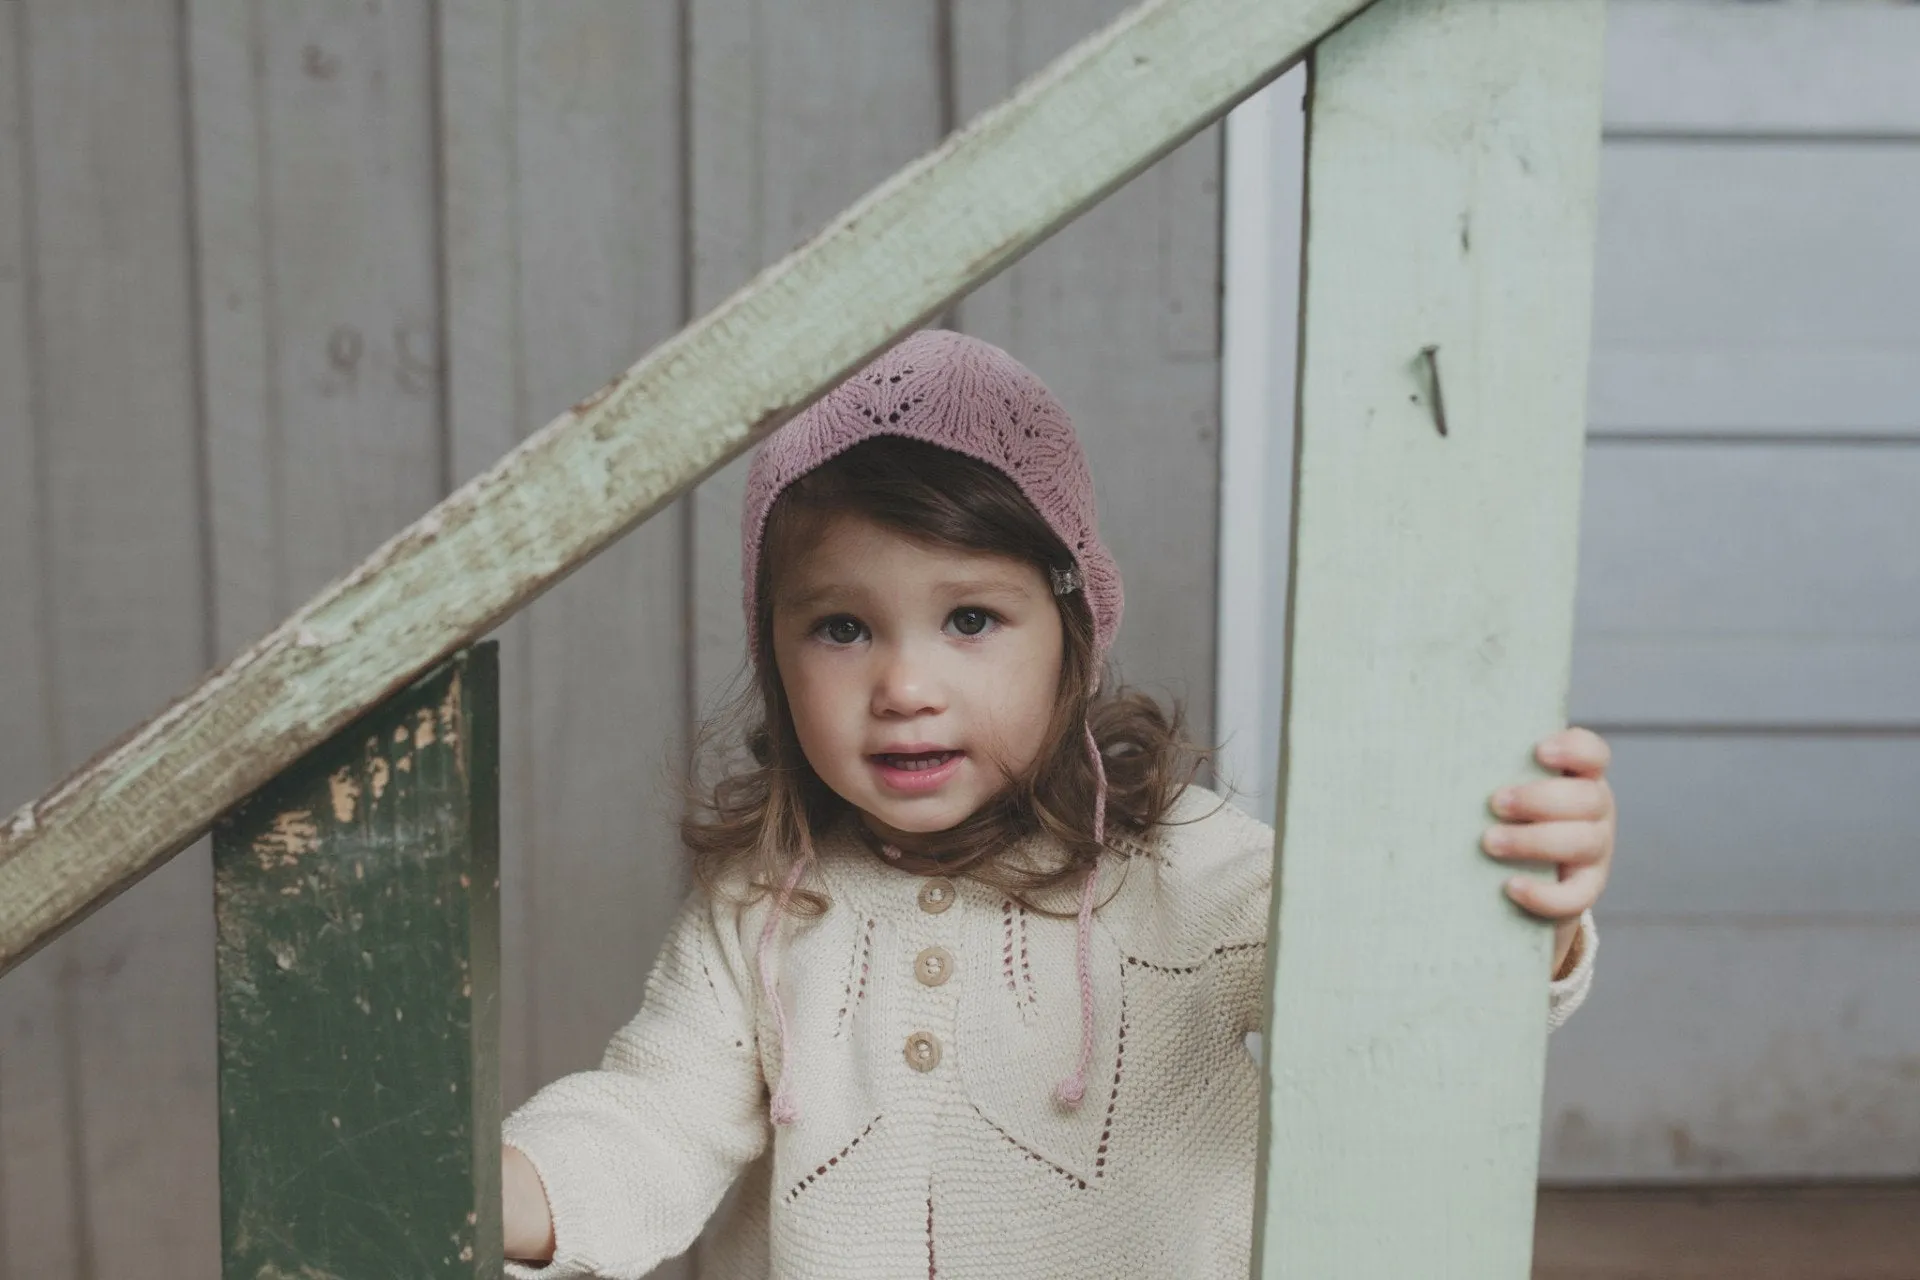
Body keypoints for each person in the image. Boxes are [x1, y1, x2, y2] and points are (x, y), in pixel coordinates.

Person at [498, 330, 1614, 1278]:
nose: (905, 687)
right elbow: (653, 1114)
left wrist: (1530, 904)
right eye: (842, 627)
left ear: (1071, 635)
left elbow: (1388, 970)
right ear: (775, 653)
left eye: (972, 618)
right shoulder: (763, 905)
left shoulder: (1189, 871)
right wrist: (509, 1185)